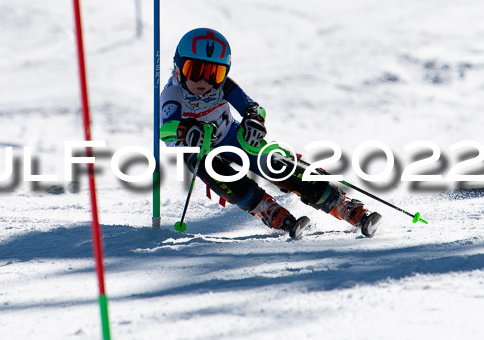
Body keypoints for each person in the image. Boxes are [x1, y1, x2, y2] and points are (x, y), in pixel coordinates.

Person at [160, 28, 382, 239]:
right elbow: (165, 130)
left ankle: (340, 204)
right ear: (179, 67)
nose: (204, 81)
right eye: (196, 70)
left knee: (274, 162)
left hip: (230, 135)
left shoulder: (223, 87)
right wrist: (185, 130)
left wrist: (254, 121)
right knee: (212, 168)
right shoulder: (173, 94)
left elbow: (253, 108)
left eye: (214, 73)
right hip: (198, 149)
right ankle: (267, 209)